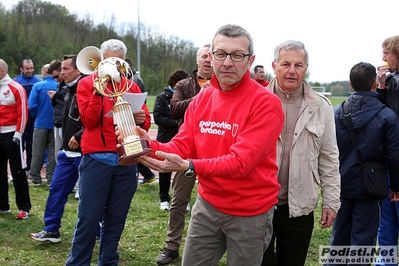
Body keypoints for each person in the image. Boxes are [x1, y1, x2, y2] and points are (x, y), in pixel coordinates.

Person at [125, 24, 284, 266]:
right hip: (208, 206)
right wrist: (149, 145)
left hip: (250, 212)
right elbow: (184, 143)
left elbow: (241, 163)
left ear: (250, 60)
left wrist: (189, 166)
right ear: (211, 57)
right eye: (221, 54)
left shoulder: (266, 103)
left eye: (237, 55)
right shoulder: (204, 97)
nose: (228, 62)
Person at [65, 39, 151, 265]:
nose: (113, 66)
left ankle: (108, 261)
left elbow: (146, 122)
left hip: (126, 161)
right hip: (96, 160)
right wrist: (97, 92)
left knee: (116, 219)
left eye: (118, 62)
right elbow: (89, 121)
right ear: (101, 60)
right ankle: (77, 262)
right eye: (109, 61)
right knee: (88, 218)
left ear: (124, 62)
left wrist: (142, 119)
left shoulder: (132, 86)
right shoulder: (86, 84)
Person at [262, 40, 341, 266]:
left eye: (299, 65)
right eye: (286, 64)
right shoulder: (256, 101)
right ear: (274, 65)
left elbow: (329, 157)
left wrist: (331, 202)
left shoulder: (321, 106)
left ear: (306, 68)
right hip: (258, 203)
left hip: (299, 207)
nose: (292, 70)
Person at [327, 62, 399, 262]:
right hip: (371, 185)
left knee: (338, 237)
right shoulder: (387, 116)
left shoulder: (336, 112)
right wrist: (395, 185)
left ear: (351, 84)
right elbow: (393, 155)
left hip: (341, 183)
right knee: (363, 240)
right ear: (374, 84)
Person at [155, 43, 214, 265]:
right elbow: (175, 108)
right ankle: (172, 246)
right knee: (179, 199)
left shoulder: (225, 86)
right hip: (187, 152)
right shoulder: (184, 84)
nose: (208, 60)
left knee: (214, 201)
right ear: (197, 60)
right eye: (204, 56)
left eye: (212, 56)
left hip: (214, 152)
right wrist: (202, 96)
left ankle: (212, 247)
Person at [30, 54, 84, 243]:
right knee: (56, 189)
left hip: (86, 154)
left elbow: (95, 119)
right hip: (67, 152)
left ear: (78, 70)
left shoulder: (88, 88)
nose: (61, 73)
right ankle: (51, 229)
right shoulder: (66, 87)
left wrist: (79, 136)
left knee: (89, 197)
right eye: (61, 70)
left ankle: (96, 232)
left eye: (65, 69)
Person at [375, 35, 399, 266]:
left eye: (386, 53)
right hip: (390, 159)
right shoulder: (390, 81)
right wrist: (382, 87)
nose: (382, 58)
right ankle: (386, 261)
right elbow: (384, 114)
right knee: (387, 220)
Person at [153, 68, 190, 211]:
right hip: (166, 138)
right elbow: (158, 118)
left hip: (184, 139)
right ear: (174, 83)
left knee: (183, 170)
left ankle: (182, 199)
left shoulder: (187, 98)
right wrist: (177, 123)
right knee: (164, 171)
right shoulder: (162, 97)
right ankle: (164, 199)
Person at [0, 59, 31, 220]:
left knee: (18, 171)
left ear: (2, 71)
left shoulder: (16, 87)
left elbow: (23, 112)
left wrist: (18, 133)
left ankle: (24, 207)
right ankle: (2, 205)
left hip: (12, 133)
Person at [125, 57, 157, 186]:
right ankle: (148, 174)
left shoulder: (132, 81)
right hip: (138, 113)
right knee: (134, 150)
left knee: (134, 150)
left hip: (134, 115)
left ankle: (148, 174)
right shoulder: (136, 78)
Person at [28, 63, 56, 186]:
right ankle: (51, 177)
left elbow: (32, 105)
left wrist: (36, 116)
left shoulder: (38, 86)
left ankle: (35, 177)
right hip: (55, 123)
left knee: (38, 151)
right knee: (53, 152)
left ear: (44, 73)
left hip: (40, 122)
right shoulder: (59, 86)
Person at [13, 59, 42, 172]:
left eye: (31, 68)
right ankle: (19, 168)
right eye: (27, 68)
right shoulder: (16, 82)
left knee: (32, 145)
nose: (30, 70)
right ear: (21, 69)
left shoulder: (38, 82)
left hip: (33, 119)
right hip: (19, 119)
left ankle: (30, 168)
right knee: (17, 145)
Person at [47, 59, 65, 161]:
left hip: (65, 124)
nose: (56, 79)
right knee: (58, 155)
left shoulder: (70, 84)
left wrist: (56, 96)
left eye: (56, 76)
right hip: (58, 122)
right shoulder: (60, 84)